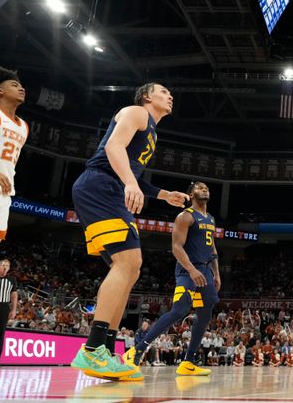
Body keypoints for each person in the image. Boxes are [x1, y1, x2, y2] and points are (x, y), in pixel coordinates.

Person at [71, 83, 189, 381]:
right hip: (100, 186)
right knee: (126, 264)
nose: (170, 95)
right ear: (148, 97)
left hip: (109, 188)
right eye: (163, 91)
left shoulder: (152, 131)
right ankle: (93, 349)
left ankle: (107, 352)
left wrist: (163, 194)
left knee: (131, 268)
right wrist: (129, 184)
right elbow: (112, 148)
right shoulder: (137, 112)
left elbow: (131, 172)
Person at [123, 181, 220, 376]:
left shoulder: (210, 218)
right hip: (187, 271)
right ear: (190, 194)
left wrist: (216, 273)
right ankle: (137, 350)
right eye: (200, 188)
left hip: (205, 271)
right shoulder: (185, 217)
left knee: (205, 314)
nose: (205, 190)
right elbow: (176, 247)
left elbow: (212, 248)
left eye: (206, 188)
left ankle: (188, 362)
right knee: (179, 310)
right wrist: (192, 270)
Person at [0, 66, 28, 273]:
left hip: (3, 195)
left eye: (21, 85)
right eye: (14, 84)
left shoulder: (24, 126)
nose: (21, 88)